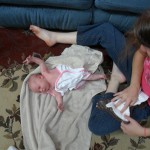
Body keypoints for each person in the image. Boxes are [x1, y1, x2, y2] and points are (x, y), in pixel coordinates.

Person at [29, 9, 150, 137]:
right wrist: (135, 85)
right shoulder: (144, 49)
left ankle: (115, 80)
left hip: (144, 101)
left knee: (96, 125)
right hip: (137, 78)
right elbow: (140, 53)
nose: (144, 50)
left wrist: (143, 132)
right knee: (105, 30)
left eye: (148, 48)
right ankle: (54, 37)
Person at [23, 55, 106, 111]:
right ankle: (100, 76)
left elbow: (41, 63)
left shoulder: (45, 73)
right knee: (84, 78)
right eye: (40, 91)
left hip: (67, 73)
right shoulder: (51, 90)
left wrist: (32, 59)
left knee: (83, 75)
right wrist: (59, 103)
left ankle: (99, 76)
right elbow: (57, 95)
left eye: (39, 87)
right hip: (70, 81)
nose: (42, 90)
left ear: (40, 77)